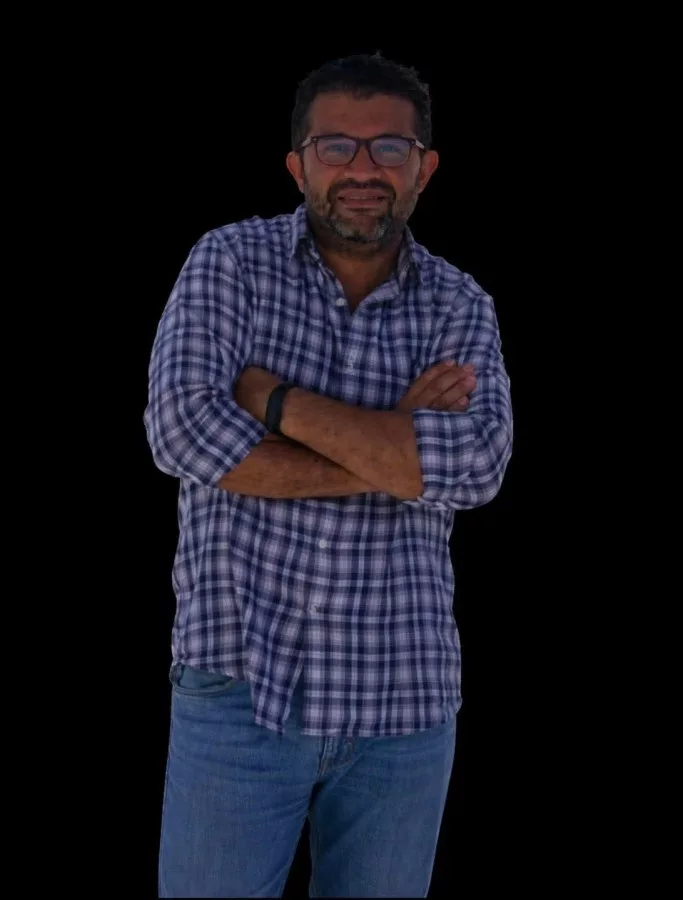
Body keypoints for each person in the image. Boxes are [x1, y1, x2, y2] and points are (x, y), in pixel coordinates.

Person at [144, 51, 513, 899]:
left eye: (389, 148)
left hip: (404, 704)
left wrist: (275, 402)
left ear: (423, 167)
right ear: (297, 164)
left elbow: (478, 464)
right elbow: (180, 432)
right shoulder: (228, 262)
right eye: (336, 146)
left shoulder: (459, 304)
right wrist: (396, 449)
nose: (362, 169)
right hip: (238, 689)